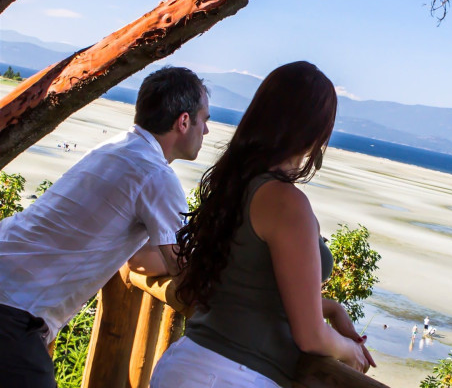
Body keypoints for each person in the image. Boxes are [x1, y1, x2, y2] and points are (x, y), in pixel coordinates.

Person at [151, 61, 374, 388]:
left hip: (187, 363)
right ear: (316, 129)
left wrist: (332, 308)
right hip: (230, 377)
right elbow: (311, 337)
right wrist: (349, 351)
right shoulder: (286, 202)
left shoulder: (236, 184)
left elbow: (249, 290)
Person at [0, 66, 209, 388]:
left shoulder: (115, 148)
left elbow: (138, 259)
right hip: (14, 310)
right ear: (183, 121)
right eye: (204, 120)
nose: (206, 131)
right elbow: (184, 274)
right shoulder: (156, 174)